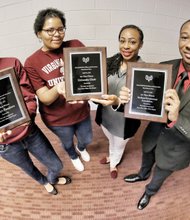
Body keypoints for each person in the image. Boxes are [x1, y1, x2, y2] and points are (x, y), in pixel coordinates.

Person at [122, 19, 190, 210]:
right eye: (184, 37)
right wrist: (130, 97)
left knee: (160, 172)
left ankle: (149, 191)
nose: (188, 44)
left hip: (176, 149)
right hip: (153, 134)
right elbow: (147, 100)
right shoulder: (164, 67)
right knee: (147, 156)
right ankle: (142, 174)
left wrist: (176, 117)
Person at [24, 8, 92, 172]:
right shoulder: (32, 62)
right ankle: (73, 155)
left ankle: (81, 149)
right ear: (38, 33)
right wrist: (59, 87)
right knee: (67, 143)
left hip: (81, 111)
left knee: (87, 138)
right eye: (50, 30)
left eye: (61, 29)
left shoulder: (75, 45)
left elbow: (90, 75)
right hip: (58, 119)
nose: (57, 34)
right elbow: (45, 98)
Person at [0, 57, 71, 195]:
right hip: (6, 146)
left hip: (29, 132)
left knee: (57, 165)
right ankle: (44, 182)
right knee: (28, 168)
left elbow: (29, 96)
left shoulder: (12, 63)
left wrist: (28, 116)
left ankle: (52, 179)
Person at [91, 25, 144, 178]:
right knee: (110, 139)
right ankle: (111, 155)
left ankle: (114, 162)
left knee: (119, 144)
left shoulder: (145, 71)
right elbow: (95, 86)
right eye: (122, 41)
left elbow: (142, 104)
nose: (126, 46)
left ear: (140, 44)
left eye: (132, 42)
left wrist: (118, 101)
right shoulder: (107, 62)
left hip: (126, 122)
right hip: (106, 117)